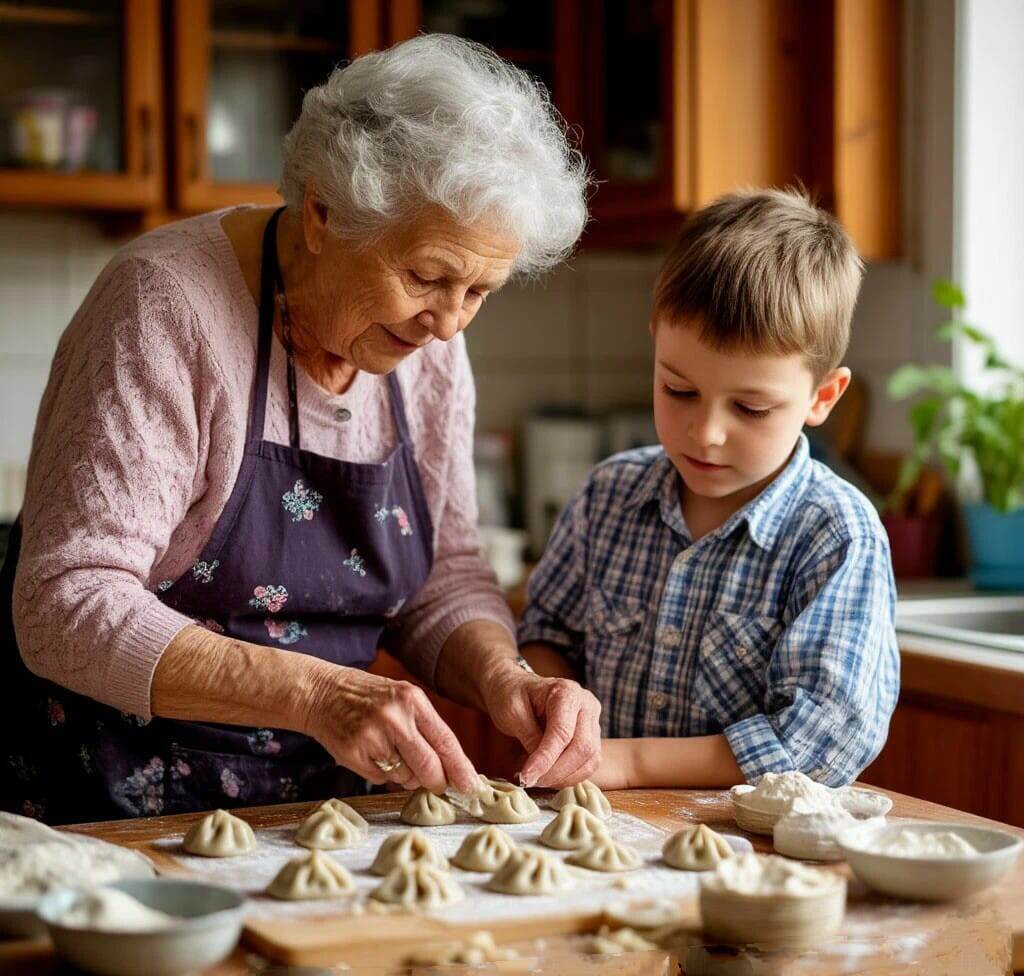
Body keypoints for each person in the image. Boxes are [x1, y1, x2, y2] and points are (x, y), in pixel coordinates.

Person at [0, 34, 602, 824]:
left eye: (479, 291)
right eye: (426, 276)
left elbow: (444, 575)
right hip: (121, 814)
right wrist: (320, 693)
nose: (450, 324)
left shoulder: (425, 346)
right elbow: (64, 601)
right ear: (322, 213)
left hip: (327, 814)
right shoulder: (163, 307)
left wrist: (505, 678)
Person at [518, 188, 900, 789]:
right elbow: (544, 633)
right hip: (598, 824)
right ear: (656, 343)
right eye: (679, 391)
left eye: (750, 408)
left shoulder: (835, 535)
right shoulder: (608, 497)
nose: (706, 433)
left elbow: (822, 740)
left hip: (746, 843)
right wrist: (554, 698)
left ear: (822, 397)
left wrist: (629, 762)